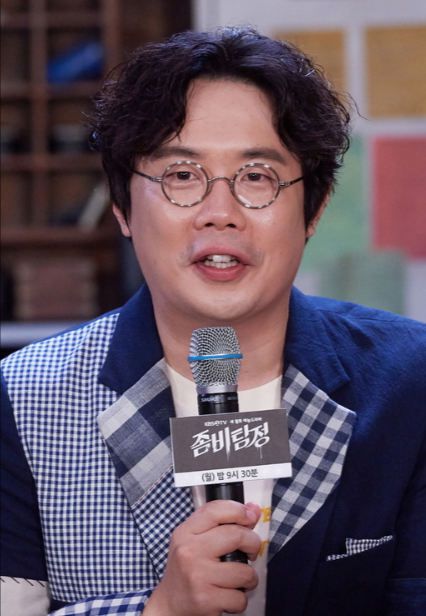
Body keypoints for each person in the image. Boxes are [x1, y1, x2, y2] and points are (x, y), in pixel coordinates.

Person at [1, 25, 425, 616]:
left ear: (314, 209)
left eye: (257, 177)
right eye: (181, 176)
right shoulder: (23, 399)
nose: (219, 213)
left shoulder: (409, 381)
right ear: (122, 207)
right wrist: (159, 611)